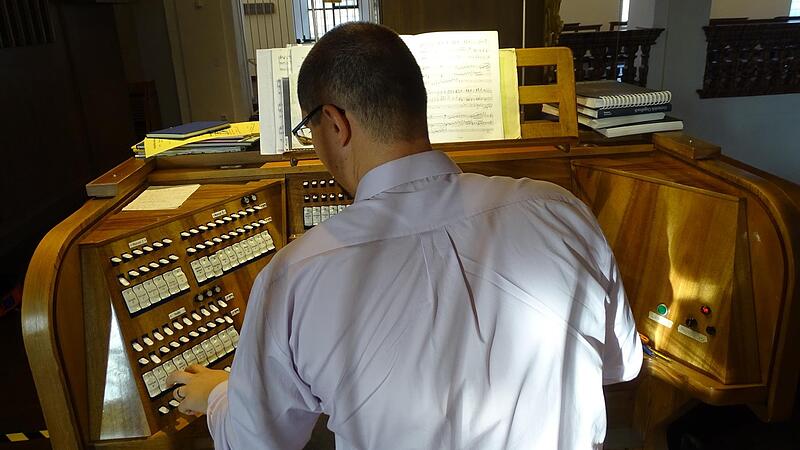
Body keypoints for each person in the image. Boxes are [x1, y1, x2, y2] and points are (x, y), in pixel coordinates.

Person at [167, 22, 642, 449]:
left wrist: (221, 394)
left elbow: (255, 442)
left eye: (310, 130)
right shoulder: (560, 209)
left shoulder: (294, 275)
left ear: (335, 123)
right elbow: (623, 364)